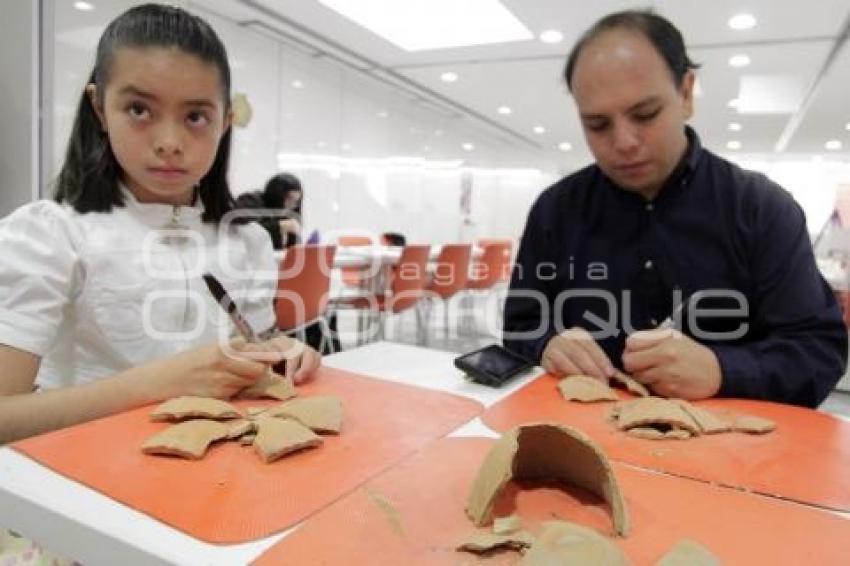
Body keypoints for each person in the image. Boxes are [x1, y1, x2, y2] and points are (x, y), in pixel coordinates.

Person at [0, 4, 320, 445]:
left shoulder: (245, 239)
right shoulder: (48, 235)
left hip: (218, 476)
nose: (169, 143)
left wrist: (282, 350)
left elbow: (255, 341)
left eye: (195, 117)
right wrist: (156, 384)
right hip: (84, 481)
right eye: (138, 109)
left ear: (224, 123)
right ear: (99, 108)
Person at [503, 9, 847, 408]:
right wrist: (548, 344)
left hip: (727, 450)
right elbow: (519, 327)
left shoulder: (761, 208)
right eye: (597, 125)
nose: (625, 141)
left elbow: (818, 351)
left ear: (686, 93)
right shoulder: (555, 209)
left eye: (645, 114)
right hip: (582, 443)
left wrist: (723, 369)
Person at [236, 172, 303, 250]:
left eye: (296, 201)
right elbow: (245, 231)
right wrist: (280, 226)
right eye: (289, 199)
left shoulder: (287, 215)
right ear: (277, 195)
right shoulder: (250, 201)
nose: (292, 205)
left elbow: (290, 250)